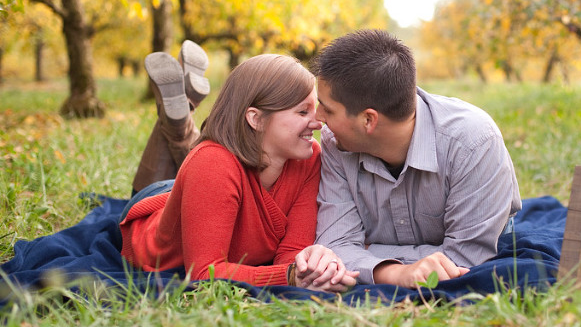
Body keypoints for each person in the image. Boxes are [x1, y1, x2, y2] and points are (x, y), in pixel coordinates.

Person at [120, 42, 357, 292]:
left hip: (206, 187)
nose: (318, 122)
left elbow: (291, 255)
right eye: (302, 112)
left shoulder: (309, 159)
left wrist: (309, 274)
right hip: (156, 211)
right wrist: (288, 277)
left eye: (316, 108)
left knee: (205, 156)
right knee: (204, 157)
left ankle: (182, 115)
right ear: (255, 118)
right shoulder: (212, 164)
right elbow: (204, 273)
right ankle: (181, 120)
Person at [312, 29, 522, 288]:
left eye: (328, 109)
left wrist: (368, 252)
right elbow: (334, 247)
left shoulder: (473, 143)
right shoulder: (337, 142)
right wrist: (397, 273)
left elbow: (465, 260)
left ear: (369, 119)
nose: (317, 118)